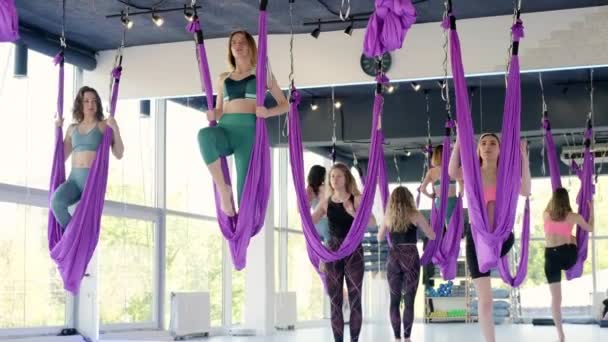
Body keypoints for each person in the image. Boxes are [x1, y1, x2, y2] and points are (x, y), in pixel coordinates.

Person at [448, 133, 531, 342]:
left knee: (495, 210)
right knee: (486, 301)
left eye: (493, 143)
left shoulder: (507, 175)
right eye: (483, 143)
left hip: (502, 236)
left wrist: (524, 158)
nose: (487, 146)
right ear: (478, 150)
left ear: (500, 149)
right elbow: (450, 172)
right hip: (476, 241)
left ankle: (494, 255)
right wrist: (459, 140)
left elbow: (526, 190)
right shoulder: (471, 173)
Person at [197, 30, 288, 216]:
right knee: (204, 136)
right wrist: (214, 113)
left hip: (248, 134)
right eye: (234, 43)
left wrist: (268, 112)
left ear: (250, 47)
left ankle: (243, 227)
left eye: (242, 42)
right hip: (226, 129)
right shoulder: (223, 78)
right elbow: (220, 108)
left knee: (244, 192)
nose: (237, 45)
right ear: (230, 49)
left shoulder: (262, 74)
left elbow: (285, 105)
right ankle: (223, 189)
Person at [312, 163, 376, 342]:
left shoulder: (357, 198)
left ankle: (354, 340)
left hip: (354, 250)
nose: (335, 179)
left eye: (339, 176)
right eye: (332, 176)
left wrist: (353, 212)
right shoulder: (326, 202)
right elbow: (310, 222)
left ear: (346, 178)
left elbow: (372, 222)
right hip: (333, 251)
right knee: (335, 302)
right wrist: (303, 205)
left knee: (355, 300)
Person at [51, 86, 124, 230]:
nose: (91, 104)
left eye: (94, 101)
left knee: (86, 220)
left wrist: (115, 129)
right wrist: (57, 128)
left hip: (92, 181)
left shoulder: (104, 125)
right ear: (80, 104)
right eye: (87, 101)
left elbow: (119, 153)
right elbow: (61, 157)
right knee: (56, 203)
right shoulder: (72, 129)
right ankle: (72, 237)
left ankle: (77, 238)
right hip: (74, 180)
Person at [378, 186, 436, 342]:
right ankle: (407, 338)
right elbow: (431, 235)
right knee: (409, 301)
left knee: (394, 301)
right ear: (409, 199)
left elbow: (379, 237)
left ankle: (397, 338)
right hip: (410, 256)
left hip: (394, 257)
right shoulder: (415, 215)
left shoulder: (388, 216)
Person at [543, 187, 593, 342]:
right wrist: (592, 211)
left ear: (553, 200)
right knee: (572, 237)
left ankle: (560, 334)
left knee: (556, 299)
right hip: (568, 257)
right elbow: (590, 228)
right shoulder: (573, 216)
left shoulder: (546, 215)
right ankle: (572, 268)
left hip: (550, 257)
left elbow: (550, 211)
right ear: (566, 201)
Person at [420, 144, 460, 221]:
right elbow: (462, 183)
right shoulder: (452, 169)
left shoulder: (431, 172)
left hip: (440, 202)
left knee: (444, 227)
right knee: (455, 227)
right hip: (453, 201)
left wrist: (430, 196)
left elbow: (422, 189)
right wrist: (460, 195)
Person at [307, 165, 330, 242]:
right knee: (329, 252)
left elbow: (300, 209)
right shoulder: (325, 188)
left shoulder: (308, 190)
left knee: (317, 252)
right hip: (326, 223)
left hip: (314, 225)